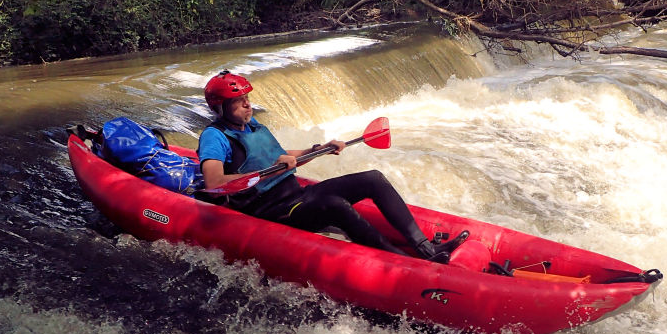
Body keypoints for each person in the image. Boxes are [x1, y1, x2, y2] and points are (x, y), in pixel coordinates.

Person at [197, 70, 469, 262]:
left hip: (296, 194)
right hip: (271, 209)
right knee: (336, 204)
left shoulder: (251, 124)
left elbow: (279, 155)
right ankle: (404, 263)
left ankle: (425, 250)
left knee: (373, 178)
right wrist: (271, 170)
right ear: (221, 108)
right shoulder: (215, 136)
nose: (248, 104)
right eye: (238, 101)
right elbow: (214, 183)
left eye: (247, 97)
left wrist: (317, 150)